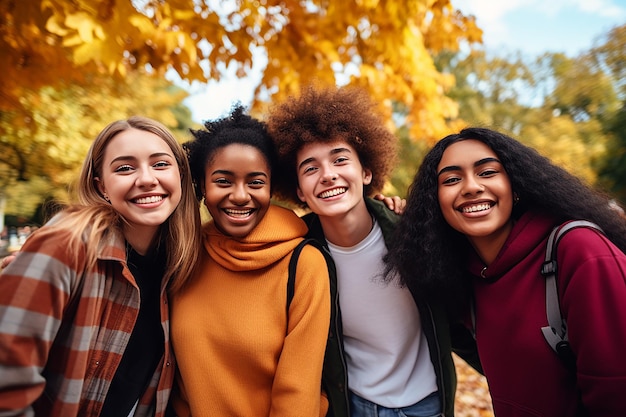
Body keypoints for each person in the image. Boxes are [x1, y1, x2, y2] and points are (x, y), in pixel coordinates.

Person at [384, 127, 626, 416]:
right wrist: (393, 219)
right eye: (451, 179)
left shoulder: (580, 250)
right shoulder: (465, 276)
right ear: (434, 201)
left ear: (516, 183)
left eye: (487, 172)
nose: (471, 187)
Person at [267, 84, 469, 417]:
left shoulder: (412, 233)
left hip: (429, 404)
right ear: (300, 191)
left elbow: (463, 314)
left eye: (340, 159)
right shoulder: (297, 255)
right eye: (310, 168)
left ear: (366, 172)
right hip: (354, 407)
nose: (328, 175)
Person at [0, 116, 201, 417]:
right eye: (124, 168)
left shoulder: (181, 264)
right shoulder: (66, 244)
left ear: (181, 176)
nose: (147, 179)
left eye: (160, 164)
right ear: (101, 186)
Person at [168, 105, 331, 416]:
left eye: (255, 182)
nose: (240, 195)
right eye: (223, 181)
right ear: (203, 186)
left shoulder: (304, 264)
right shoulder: (185, 254)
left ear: (270, 188)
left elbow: (298, 392)